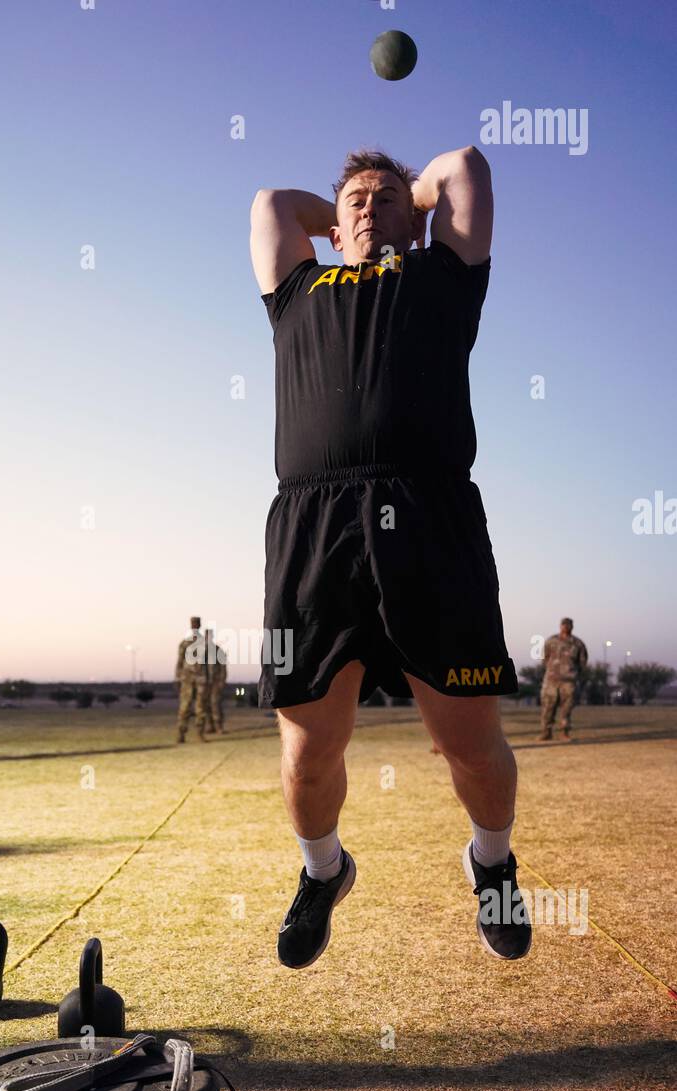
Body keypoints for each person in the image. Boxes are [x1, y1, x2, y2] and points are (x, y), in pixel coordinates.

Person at [250, 145, 530, 968]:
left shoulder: (443, 277)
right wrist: (349, 211)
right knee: (307, 751)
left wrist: (400, 205)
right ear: (330, 229)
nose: (368, 207)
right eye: (353, 202)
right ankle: (322, 872)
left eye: (384, 196)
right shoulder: (298, 288)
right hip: (310, 528)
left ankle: (491, 861)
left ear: (417, 214)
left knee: (469, 746)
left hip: (430, 514)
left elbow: (465, 166)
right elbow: (271, 201)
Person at [539, 618, 588, 742]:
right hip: (551, 680)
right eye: (564, 625)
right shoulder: (551, 641)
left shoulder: (578, 644)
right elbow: (544, 658)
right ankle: (546, 732)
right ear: (560, 626)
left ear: (572, 627)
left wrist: (573, 674)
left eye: (568, 625)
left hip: (569, 681)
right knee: (548, 707)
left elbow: (582, 662)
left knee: (567, 708)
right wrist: (552, 671)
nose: (566, 627)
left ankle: (564, 733)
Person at [175, 616, 210, 742]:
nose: (195, 625)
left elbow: (209, 663)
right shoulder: (185, 643)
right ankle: (181, 733)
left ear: (199, 625)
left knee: (201, 708)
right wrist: (177, 678)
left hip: (201, 679)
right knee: (185, 707)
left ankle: (200, 733)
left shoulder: (205, 644)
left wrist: (209, 679)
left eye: (197, 623)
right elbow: (179, 662)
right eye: (193, 623)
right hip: (187, 679)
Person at [204, 629, 228, 733]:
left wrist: (222, 681)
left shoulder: (218, 650)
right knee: (206, 705)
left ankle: (218, 726)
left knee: (215, 704)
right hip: (204, 683)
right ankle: (209, 726)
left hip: (215, 682)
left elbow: (223, 667)